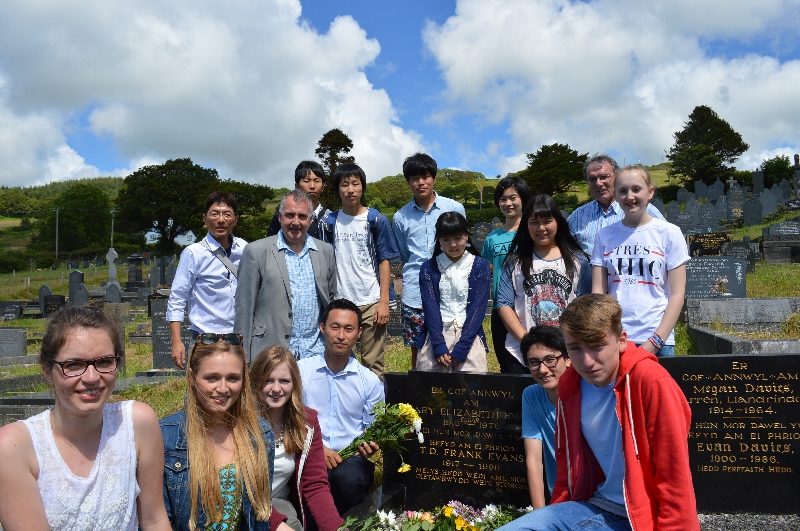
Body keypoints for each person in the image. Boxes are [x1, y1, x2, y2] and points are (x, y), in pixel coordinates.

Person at [497, 294, 700, 531]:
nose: (587, 361)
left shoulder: (651, 382)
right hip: (596, 504)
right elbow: (567, 469)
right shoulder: (571, 386)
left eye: (597, 346)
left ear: (622, 340)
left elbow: (675, 479)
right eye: (575, 348)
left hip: (644, 516)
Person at [0, 306, 170, 531]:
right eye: (74, 365)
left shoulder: (137, 423)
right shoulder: (14, 447)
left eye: (104, 362)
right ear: (47, 372)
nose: (92, 377)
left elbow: (154, 520)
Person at [160, 333, 274, 531]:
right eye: (212, 378)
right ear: (192, 377)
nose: (223, 388)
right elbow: (159, 520)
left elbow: (260, 518)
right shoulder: (165, 436)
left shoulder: (260, 434)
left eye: (232, 378)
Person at [297, 299, 383, 515]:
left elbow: (375, 429)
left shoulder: (369, 381)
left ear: (359, 332)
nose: (341, 336)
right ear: (322, 327)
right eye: (335, 327)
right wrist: (318, 450)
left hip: (351, 458)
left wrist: (371, 443)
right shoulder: (301, 372)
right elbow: (291, 420)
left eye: (349, 329)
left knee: (349, 480)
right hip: (309, 454)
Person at [591, 166, 688, 357]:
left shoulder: (670, 233)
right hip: (616, 339)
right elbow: (598, 293)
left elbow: (677, 294)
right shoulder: (604, 236)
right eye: (622, 191)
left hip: (658, 339)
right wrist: (605, 334)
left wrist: (656, 341)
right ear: (615, 195)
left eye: (636, 189)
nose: (629, 196)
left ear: (650, 192)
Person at [318, 163, 400, 379]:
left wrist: (383, 302)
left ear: (363, 187)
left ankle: (375, 413)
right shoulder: (329, 222)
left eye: (355, 184)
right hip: (341, 303)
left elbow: (384, 260)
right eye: (344, 185)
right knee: (340, 361)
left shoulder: (376, 220)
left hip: (372, 301)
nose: (350, 189)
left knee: (373, 365)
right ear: (338, 190)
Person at [235, 189, 337, 362]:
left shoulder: (325, 251)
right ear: (280, 217)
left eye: (302, 216)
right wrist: (241, 358)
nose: (295, 222)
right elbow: (244, 308)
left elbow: (332, 299)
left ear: (310, 219)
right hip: (270, 353)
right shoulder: (257, 251)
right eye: (290, 215)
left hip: (316, 352)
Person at [250, 345, 344, 531]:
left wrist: (336, 528)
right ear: (255, 381)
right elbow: (243, 488)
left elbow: (315, 485)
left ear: (294, 384)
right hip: (242, 503)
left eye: (284, 381)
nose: (276, 389)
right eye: (268, 380)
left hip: (277, 503)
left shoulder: (307, 423)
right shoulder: (240, 422)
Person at [497, 195, 591, 371]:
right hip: (521, 352)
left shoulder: (579, 261)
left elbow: (584, 306)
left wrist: (568, 343)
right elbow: (504, 304)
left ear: (558, 222)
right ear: (526, 224)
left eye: (547, 221)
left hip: (566, 352)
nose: (541, 228)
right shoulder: (513, 262)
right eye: (534, 222)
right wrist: (527, 341)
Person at [392, 153, 465, 367]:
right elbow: (406, 255)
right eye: (414, 178)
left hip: (451, 286)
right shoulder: (400, 217)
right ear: (407, 182)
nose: (420, 183)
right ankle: (419, 393)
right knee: (418, 347)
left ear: (434, 177)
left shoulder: (454, 208)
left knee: (452, 343)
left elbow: (460, 245)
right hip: (415, 292)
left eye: (425, 177)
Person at [168, 191, 246, 368]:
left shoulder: (245, 250)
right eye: (214, 214)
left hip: (237, 340)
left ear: (236, 219)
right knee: (201, 392)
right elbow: (177, 298)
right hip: (204, 340)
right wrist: (176, 341)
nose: (221, 220)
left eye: (227, 214)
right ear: (204, 219)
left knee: (237, 391)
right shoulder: (193, 253)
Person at [416, 212, 490, 372]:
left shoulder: (480, 266)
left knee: (472, 389)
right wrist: (438, 344)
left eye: (458, 238)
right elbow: (430, 306)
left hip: (469, 335)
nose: (453, 244)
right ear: (439, 240)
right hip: (438, 333)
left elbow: (478, 307)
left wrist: (462, 346)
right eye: (446, 240)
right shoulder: (429, 268)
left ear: (466, 234)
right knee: (431, 389)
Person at [567, 154, 665, 255]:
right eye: (592, 179)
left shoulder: (644, 210)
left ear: (616, 178)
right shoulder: (577, 217)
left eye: (604, 177)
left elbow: (666, 241)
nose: (598, 183)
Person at [482, 176, 532, 373]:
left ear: (523, 199)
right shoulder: (492, 238)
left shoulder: (532, 231)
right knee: (508, 366)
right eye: (503, 199)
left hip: (528, 305)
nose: (508, 203)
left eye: (513, 197)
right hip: (500, 308)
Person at [519, 325, 570, 509]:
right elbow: (533, 459)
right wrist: (539, 516)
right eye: (534, 362)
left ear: (568, 359)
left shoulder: (585, 392)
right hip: (557, 499)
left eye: (550, 360)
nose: (542, 370)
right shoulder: (531, 395)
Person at [268, 161, 330, 240]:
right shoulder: (281, 217)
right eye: (306, 181)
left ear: (322, 187)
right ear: (297, 186)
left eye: (317, 181)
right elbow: (270, 246)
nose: (312, 186)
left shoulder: (330, 218)